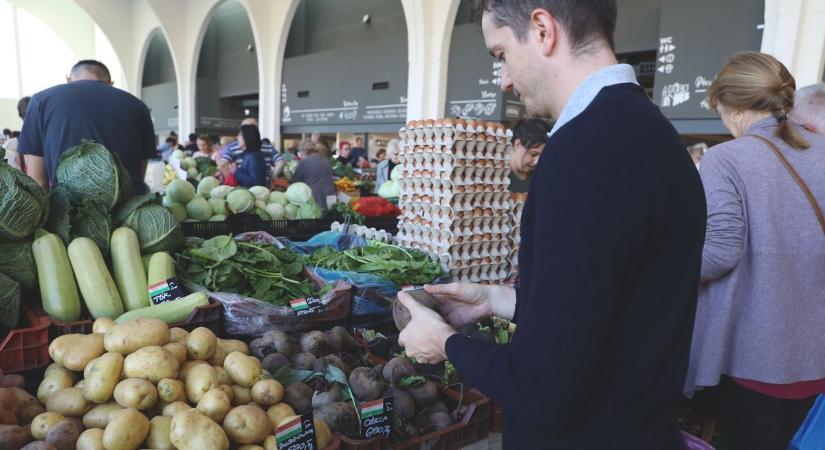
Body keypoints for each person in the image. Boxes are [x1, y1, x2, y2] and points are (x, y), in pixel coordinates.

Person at [396, 1, 707, 449]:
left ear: (542, 29)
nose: (503, 79)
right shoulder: (654, 135)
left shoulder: (582, 151)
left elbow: (542, 387)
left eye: (501, 54)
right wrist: (500, 301)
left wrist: (444, 343)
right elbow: (612, 309)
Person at [684, 53, 825, 450]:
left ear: (734, 108)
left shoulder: (728, 159)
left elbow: (720, 252)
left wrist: (659, 265)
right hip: (816, 356)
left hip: (755, 357)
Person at [17, 60, 156, 193]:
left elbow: (38, 183)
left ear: (68, 79)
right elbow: (141, 168)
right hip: (128, 213)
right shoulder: (138, 106)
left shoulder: (40, 102)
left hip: (69, 214)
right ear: (111, 83)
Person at [221, 117, 285, 182]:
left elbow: (223, 164)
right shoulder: (266, 147)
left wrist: (233, 176)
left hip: (251, 188)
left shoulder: (251, 155)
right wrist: (270, 178)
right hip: (257, 187)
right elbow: (280, 162)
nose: (238, 136)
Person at [508, 118, 550, 193]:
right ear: (517, 144)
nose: (536, 162)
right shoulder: (499, 175)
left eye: (543, 156)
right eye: (533, 154)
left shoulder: (542, 177)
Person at [292, 141, 336, 209]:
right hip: (330, 198)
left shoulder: (305, 162)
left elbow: (295, 182)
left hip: (315, 200)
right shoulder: (325, 160)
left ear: (304, 151)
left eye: (301, 153)